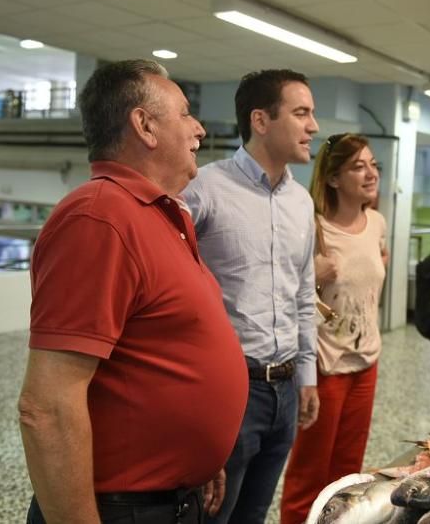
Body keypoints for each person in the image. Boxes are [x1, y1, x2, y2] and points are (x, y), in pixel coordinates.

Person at [18, 59, 248, 524]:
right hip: (123, 509)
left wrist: (198, 459)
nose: (199, 128)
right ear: (144, 125)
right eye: (185, 113)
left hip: (176, 495)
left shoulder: (164, 214)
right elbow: (47, 406)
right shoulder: (98, 218)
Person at [182, 69, 320, 524]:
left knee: (254, 514)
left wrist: (307, 376)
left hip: (283, 391)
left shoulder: (301, 201)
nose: (313, 126)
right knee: (212, 516)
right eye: (301, 113)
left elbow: (303, 292)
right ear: (260, 120)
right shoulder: (204, 189)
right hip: (230, 390)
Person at [279, 133, 388, 524]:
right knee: (310, 471)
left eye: (373, 164)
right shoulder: (315, 228)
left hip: (366, 363)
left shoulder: (377, 223)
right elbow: (284, 295)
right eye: (358, 166)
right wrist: (313, 278)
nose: (370, 173)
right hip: (325, 366)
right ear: (334, 178)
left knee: (348, 472)